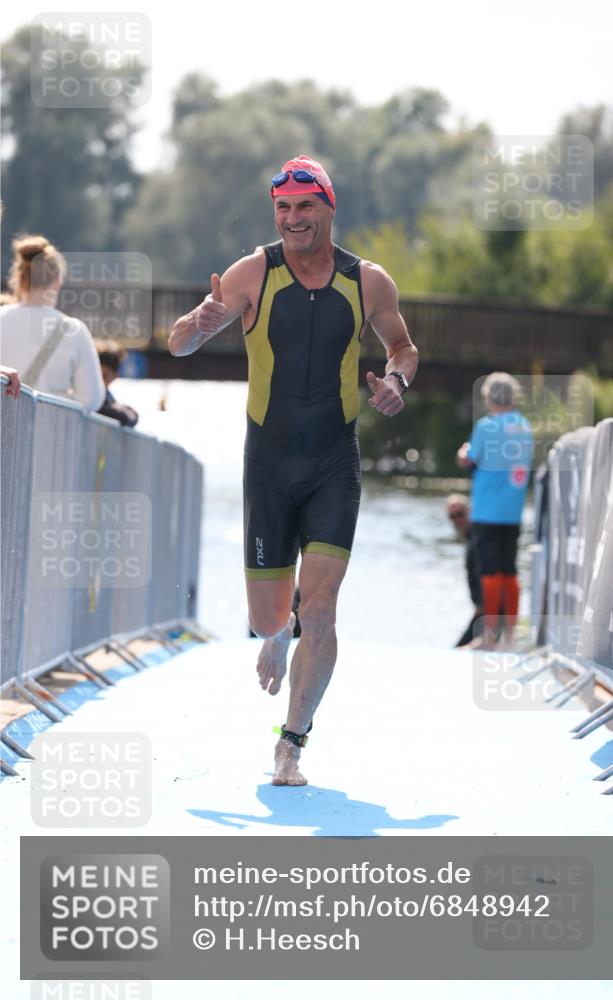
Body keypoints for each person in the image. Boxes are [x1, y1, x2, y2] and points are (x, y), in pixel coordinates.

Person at [169, 154, 418, 785]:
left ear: (329, 208)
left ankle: (293, 742)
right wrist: (197, 325)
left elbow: (403, 347)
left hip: (334, 459)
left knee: (324, 605)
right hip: (269, 463)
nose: (293, 219)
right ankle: (278, 635)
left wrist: (395, 381)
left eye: (305, 207)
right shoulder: (255, 271)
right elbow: (178, 344)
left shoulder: (368, 281)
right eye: (283, 208)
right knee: (267, 617)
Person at [456, 372, 533, 648]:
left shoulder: (486, 427)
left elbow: (469, 459)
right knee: (510, 570)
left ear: (489, 398)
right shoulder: (525, 427)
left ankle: (489, 635)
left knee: (489, 571)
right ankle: (510, 635)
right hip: (513, 511)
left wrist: (463, 451)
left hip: (487, 511)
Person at [0, 235, 105, 411]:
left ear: (20, 277)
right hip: (49, 434)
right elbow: (91, 399)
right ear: (57, 280)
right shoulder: (74, 330)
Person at [446, 494, 484, 647]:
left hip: (488, 611)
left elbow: (485, 573)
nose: (457, 520)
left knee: (457, 651)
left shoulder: (479, 539)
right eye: (452, 516)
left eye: (460, 514)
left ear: (469, 511)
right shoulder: (471, 538)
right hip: (480, 610)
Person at [96, 340, 139, 427]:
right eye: (96, 374)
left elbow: (130, 416)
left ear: (115, 376)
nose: (99, 380)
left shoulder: (108, 398)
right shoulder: (85, 394)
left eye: (104, 376)